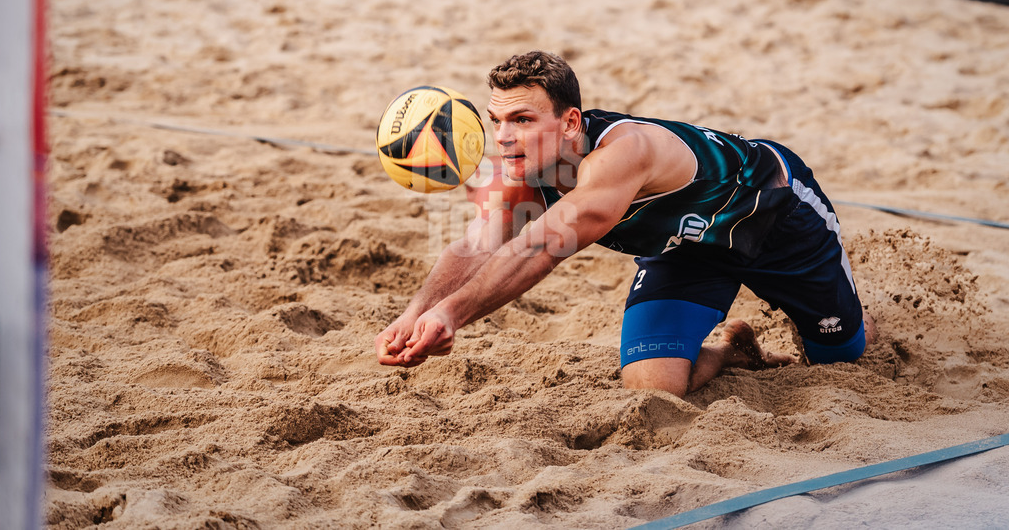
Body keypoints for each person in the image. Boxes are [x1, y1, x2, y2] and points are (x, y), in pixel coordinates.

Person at [375, 51, 875, 397]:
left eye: (523, 120)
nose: (503, 137)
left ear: (570, 122)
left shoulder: (623, 153)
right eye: (496, 121)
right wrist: (418, 311)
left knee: (843, 357)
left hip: (774, 217)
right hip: (685, 248)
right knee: (651, 386)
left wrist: (451, 316)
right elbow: (477, 244)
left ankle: (853, 311)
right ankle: (732, 351)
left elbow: (541, 248)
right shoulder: (522, 171)